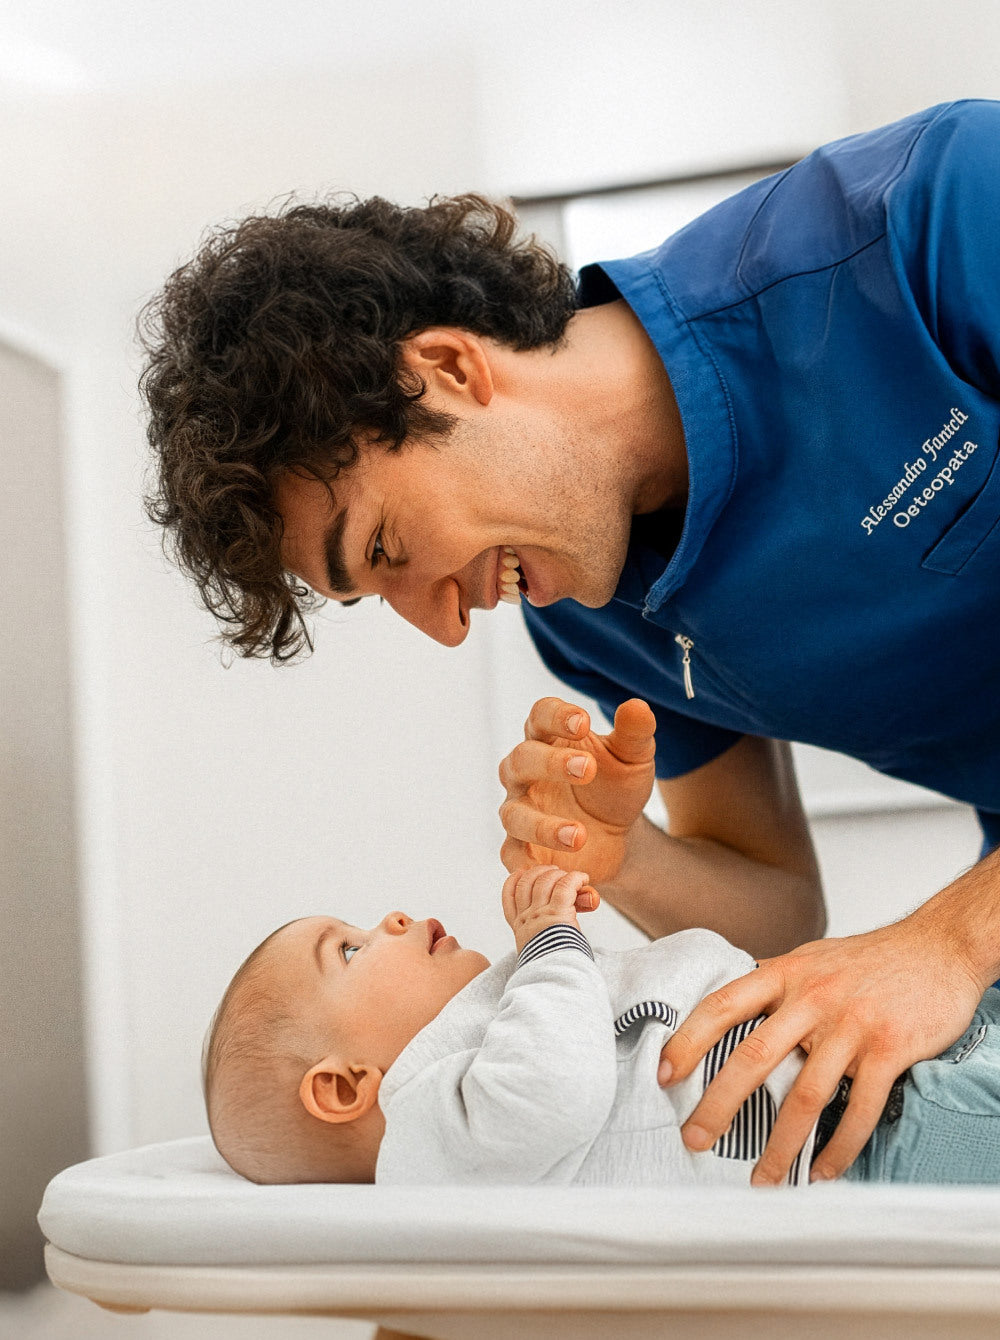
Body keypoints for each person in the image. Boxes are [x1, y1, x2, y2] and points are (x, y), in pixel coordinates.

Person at [142, 99, 1000, 1187]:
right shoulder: (585, 615)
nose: (446, 626)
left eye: (388, 546)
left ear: (447, 368)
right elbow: (784, 915)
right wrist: (624, 856)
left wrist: (951, 939)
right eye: (379, 595)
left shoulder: (937, 215)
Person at [204, 862, 1000, 1189]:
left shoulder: (484, 1035)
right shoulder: (425, 1124)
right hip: (870, 1131)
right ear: (345, 1087)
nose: (392, 919)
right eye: (348, 949)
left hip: (876, 1046)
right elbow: (555, 1093)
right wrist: (551, 940)